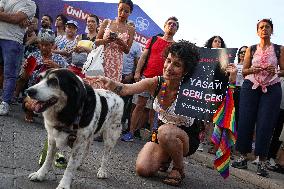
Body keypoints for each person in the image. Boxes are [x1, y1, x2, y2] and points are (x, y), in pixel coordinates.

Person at [86, 40, 236, 186]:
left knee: (165, 132)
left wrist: (231, 82)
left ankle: (178, 168)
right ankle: (167, 157)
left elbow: (219, 106)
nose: (169, 67)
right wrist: (109, 82)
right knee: (143, 169)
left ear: (186, 70)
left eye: (177, 64)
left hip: (187, 138)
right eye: (168, 61)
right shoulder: (156, 83)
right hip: (162, 134)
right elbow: (126, 89)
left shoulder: (194, 89)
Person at [231, 19, 284, 177]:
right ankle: (242, 157)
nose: (264, 29)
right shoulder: (251, 49)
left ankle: (261, 161)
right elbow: (245, 71)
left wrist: (275, 70)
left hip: (272, 88)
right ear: (257, 31)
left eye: (267, 27)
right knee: (246, 120)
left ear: (272, 30)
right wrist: (253, 69)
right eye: (261, 27)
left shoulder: (279, 49)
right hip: (250, 87)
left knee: (266, 124)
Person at [121, 16, 179, 142]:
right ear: (164, 26)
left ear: (176, 30)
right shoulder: (153, 39)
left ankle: (153, 138)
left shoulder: (176, 46)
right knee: (139, 105)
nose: (171, 26)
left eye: (174, 25)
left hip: (164, 82)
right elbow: (143, 57)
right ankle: (131, 132)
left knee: (156, 110)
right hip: (147, 77)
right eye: (169, 23)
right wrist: (137, 72)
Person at [23, 29, 68, 122]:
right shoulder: (33, 56)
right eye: (42, 44)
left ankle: (51, 116)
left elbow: (68, 76)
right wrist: (26, 68)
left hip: (51, 94)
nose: (43, 47)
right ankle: (30, 113)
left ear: (52, 45)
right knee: (29, 104)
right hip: (34, 91)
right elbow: (25, 78)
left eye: (47, 45)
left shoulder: (58, 59)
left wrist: (57, 67)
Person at [0, 0, 36, 115]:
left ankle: (5, 102)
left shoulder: (30, 3)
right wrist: (13, 17)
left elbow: (15, 19)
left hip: (13, 40)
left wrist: (14, 17)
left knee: (10, 74)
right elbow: (15, 19)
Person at [197, 35, 227, 152]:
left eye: (220, 42)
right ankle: (195, 138)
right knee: (198, 115)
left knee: (208, 118)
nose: (218, 43)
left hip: (214, 91)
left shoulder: (224, 58)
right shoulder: (204, 55)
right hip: (201, 89)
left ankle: (203, 141)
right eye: (215, 41)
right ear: (211, 43)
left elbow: (224, 76)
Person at [95, 0, 135, 83]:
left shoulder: (131, 29)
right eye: (120, 10)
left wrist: (121, 42)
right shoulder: (107, 22)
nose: (122, 13)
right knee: (96, 85)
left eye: (126, 11)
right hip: (101, 59)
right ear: (117, 8)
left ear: (130, 12)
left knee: (110, 89)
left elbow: (127, 50)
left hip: (116, 63)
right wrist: (105, 41)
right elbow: (96, 42)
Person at [121, 20, 142, 132]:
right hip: (114, 75)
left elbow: (138, 63)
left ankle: (120, 124)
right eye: (129, 27)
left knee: (124, 103)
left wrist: (131, 75)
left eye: (133, 28)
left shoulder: (137, 46)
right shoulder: (119, 40)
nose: (130, 30)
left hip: (127, 78)